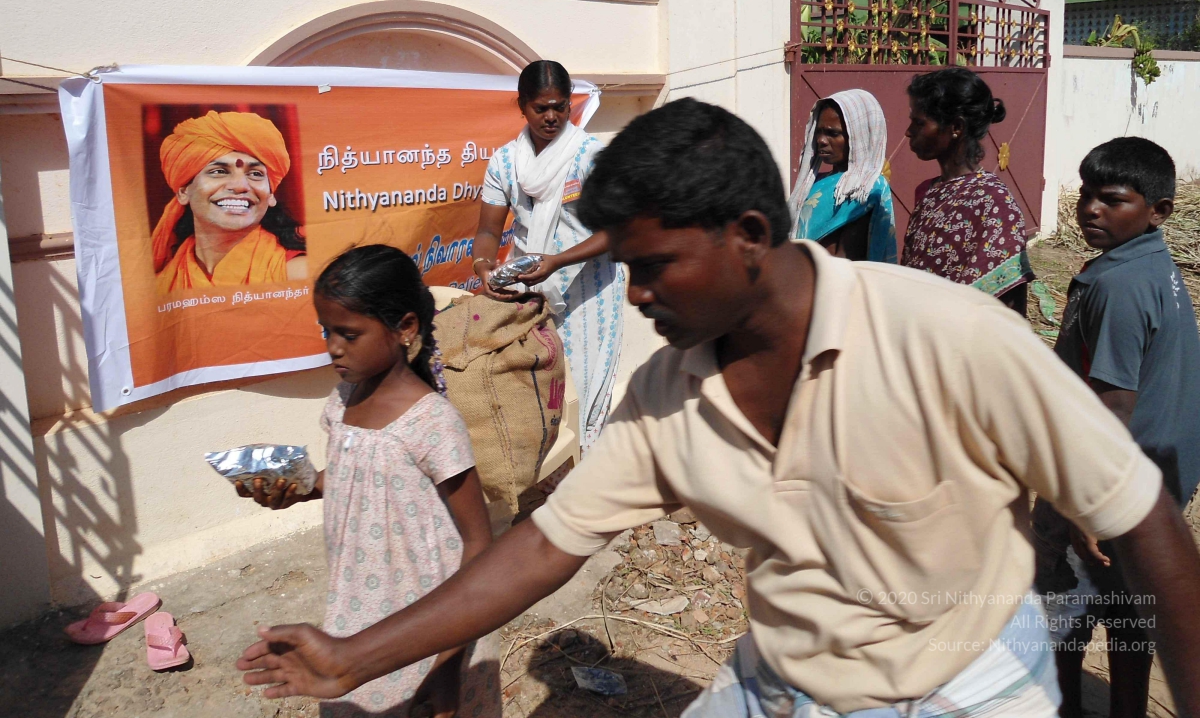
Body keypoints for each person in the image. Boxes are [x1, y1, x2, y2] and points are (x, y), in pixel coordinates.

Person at [237, 100, 1200, 718]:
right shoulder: (669, 396)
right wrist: (352, 659)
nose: (635, 295)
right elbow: (541, 549)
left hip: (970, 682)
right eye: (624, 267)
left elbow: (1143, 519)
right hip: (788, 679)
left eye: (653, 266)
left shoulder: (946, 337)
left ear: (747, 235)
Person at [235, 245, 498, 718]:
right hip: (359, 606)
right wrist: (295, 487)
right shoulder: (343, 401)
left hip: (431, 620)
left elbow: (479, 541)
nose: (334, 346)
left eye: (349, 334)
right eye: (327, 331)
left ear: (405, 328)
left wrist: (447, 664)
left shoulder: (432, 423)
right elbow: (353, 480)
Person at [1033, 138, 1200, 718]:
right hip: (1154, 486)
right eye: (1086, 195)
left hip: (1104, 488)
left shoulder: (1117, 286)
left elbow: (1113, 409)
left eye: (1112, 199)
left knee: (1063, 610)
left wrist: (1084, 510)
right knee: (1130, 619)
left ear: (1159, 211)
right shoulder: (1154, 267)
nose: (1091, 209)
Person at [470, 60, 625, 453]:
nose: (552, 117)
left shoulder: (591, 156)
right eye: (541, 108)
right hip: (532, 291)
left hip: (589, 293)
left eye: (560, 106)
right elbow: (488, 231)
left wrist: (557, 261)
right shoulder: (504, 162)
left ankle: (585, 477)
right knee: (540, 389)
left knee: (584, 389)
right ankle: (548, 477)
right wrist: (483, 266)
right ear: (522, 106)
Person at [901, 68, 1034, 314]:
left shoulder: (995, 204)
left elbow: (1008, 306)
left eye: (919, 123)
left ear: (956, 127)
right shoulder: (928, 192)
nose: (909, 131)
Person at [153, 110, 306, 293]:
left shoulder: (297, 273)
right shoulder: (160, 287)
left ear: (271, 195)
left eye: (255, 174)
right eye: (219, 171)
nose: (240, 186)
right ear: (184, 192)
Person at [788, 89, 897, 262]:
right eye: (819, 132)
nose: (821, 140)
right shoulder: (815, 184)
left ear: (860, 137)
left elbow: (846, 259)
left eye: (833, 133)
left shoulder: (863, 188)